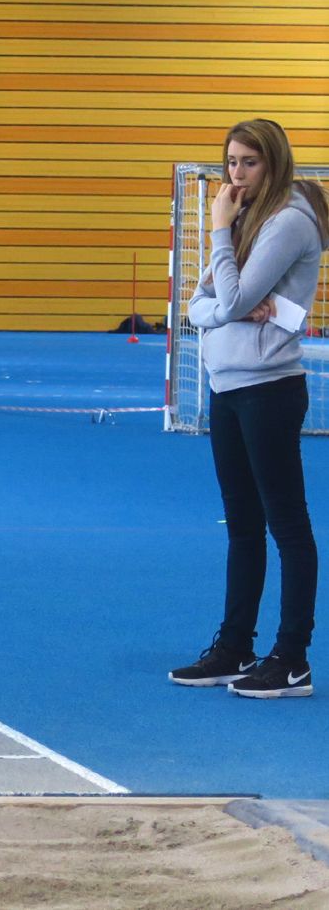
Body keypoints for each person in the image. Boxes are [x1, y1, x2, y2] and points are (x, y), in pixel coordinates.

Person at [171, 119, 329, 699]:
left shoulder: (288, 222)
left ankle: (292, 658)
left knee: (287, 524)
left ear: (274, 163)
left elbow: (232, 297)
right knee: (242, 525)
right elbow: (198, 304)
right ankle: (235, 646)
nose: (236, 174)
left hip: (269, 389)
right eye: (231, 162)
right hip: (227, 385)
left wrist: (219, 232)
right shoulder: (245, 218)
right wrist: (227, 306)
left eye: (249, 162)